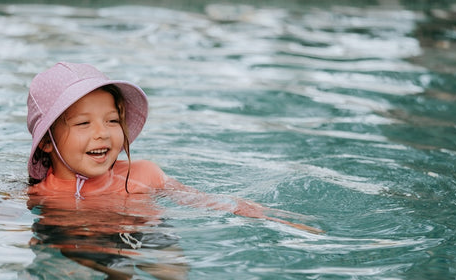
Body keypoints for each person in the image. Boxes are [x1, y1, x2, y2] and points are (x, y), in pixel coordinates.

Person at [26, 61, 320, 231]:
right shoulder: (37, 197)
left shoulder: (144, 176)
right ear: (47, 143)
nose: (102, 134)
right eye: (83, 124)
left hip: (146, 237)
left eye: (112, 121)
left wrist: (277, 218)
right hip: (68, 245)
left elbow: (207, 201)